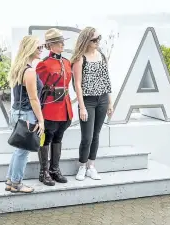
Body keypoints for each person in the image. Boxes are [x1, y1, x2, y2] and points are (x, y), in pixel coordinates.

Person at [71, 27, 113, 181]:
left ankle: (91, 166)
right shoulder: (80, 58)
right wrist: (82, 106)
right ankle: (82, 166)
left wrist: (110, 103)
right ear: (86, 41)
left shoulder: (102, 56)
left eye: (98, 38)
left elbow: (105, 80)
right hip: (87, 101)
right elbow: (77, 84)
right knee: (87, 137)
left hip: (102, 99)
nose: (97, 42)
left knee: (96, 135)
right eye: (94, 39)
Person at [5, 35, 45, 193]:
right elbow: (33, 98)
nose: (41, 50)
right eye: (38, 47)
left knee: (18, 150)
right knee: (23, 152)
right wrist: (41, 120)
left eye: (42, 46)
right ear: (30, 49)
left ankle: (10, 181)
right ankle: (17, 183)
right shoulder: (29, 71)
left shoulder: (18, 67)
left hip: (16, 112)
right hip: (27, 114)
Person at [35, 28, 73, 186]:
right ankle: (43, 172)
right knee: (46, 139)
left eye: (63, 41)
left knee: (59, 138)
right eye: (59, 42)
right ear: (51, 46)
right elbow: (38, 88)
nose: (62, 45)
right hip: (50, 107)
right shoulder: (43, 65)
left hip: (64, 106)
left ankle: (54, 169)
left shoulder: (66, 62)